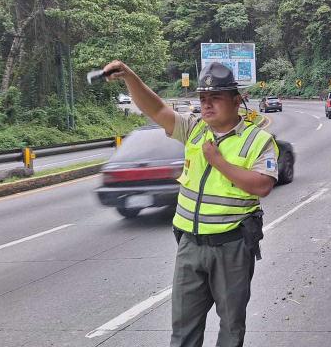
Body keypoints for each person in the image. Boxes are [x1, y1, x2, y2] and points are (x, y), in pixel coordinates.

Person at [103, 60, 278, 347]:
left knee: (231, 327)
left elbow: (263, 185)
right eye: (203, 99)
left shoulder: (258, 140)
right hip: (190, 246)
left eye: (215, 98)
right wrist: (130, 77)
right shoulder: (195, 130)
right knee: (183, 331)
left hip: (231, 246)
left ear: (237, 101)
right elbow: (157, 109)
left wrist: (218, 162)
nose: (207, 105)